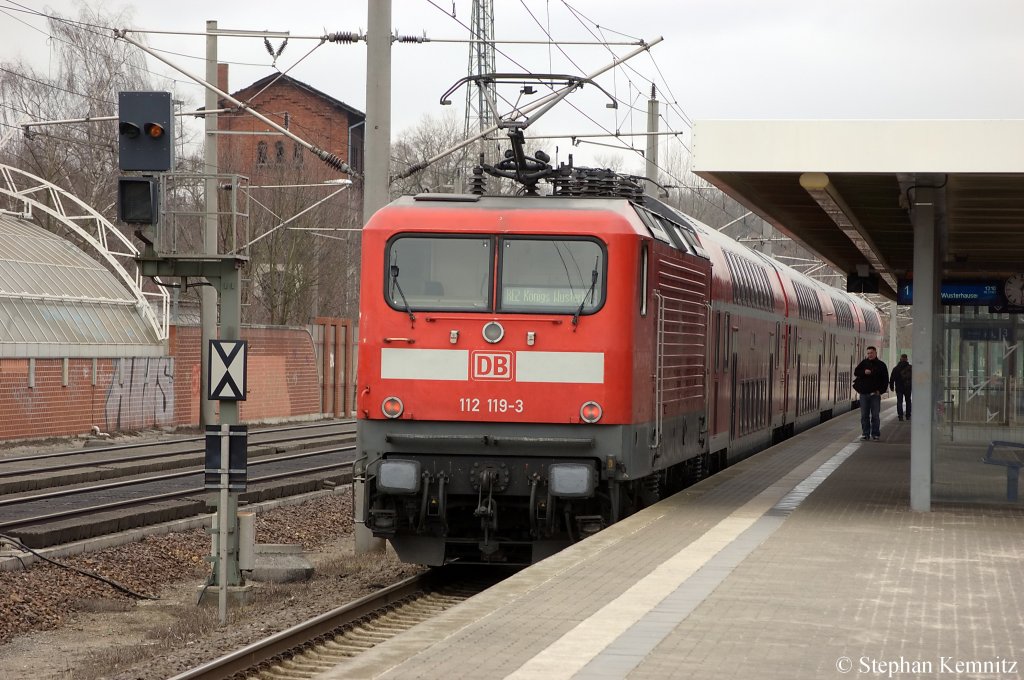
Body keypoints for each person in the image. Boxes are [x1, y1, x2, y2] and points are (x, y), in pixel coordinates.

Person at [853, 346, 888, 441]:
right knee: (864, 415)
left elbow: (885, 380)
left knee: (875, 415)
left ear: (876, 353)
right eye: (868, 353)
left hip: (875, 395)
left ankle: (875, 434)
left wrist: (880, 391)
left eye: (871, 353)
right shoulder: (864, 363)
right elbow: (856, 372)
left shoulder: (881, 365)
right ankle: (865, 434)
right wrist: (864, 372)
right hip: (864, 394)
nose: (869, 355)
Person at [889, 354, 912, 421]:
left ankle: (900, 416)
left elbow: (892, 378)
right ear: (907, 359)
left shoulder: (896, 368)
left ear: (900, 359)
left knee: (899, 402)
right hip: (908, 387)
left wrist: (891, 386)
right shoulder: (910, 368)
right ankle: (908, 416)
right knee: (908, 401)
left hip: (899, 387)